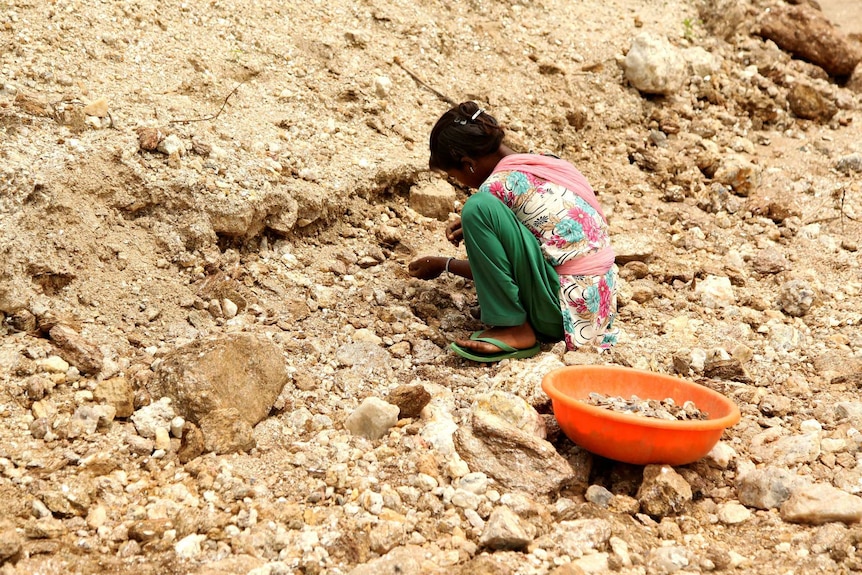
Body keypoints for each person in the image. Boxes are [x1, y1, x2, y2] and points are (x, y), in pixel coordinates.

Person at [408, 101, 619, 362]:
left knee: (476, 208)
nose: (460, 183)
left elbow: (492, 272)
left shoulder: (494, 188)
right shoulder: (546, 164)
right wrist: (493, 227)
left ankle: (513, 328)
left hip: (561, 316)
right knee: (480, 211)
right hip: (597, 307)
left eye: (455, 176)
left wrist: (444, 264)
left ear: (468, 164)